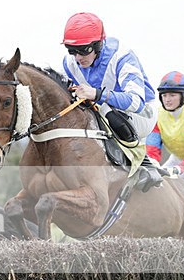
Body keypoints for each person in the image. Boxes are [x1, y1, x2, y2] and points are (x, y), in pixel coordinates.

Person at [61, 12, 163, 191]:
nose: (78, 57)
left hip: (141, 114)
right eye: (72, 50)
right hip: (102, 109)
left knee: (104, 109)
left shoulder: (122, 57)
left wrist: (97, 94)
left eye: (84, 50)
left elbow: (136, 102)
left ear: (98, 45)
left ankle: (144, 163)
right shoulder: (69, 63)